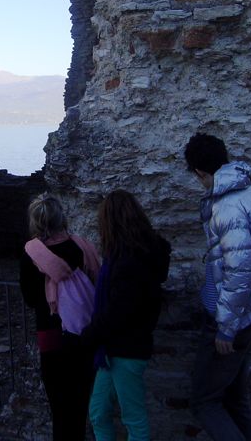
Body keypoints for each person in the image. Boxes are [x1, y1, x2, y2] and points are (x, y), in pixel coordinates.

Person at [184, 132, 251, 441]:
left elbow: (239, 270)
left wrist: (226, 326)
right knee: (234, 396)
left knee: (203, 402)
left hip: (232, 317)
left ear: (200, 172)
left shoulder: (226, 206)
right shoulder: (248, 188)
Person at [81, 189, 171, 441]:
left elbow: (118, 310)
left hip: (126, 349)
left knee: (134, 419)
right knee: (98, 412)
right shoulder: (133, 256)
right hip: (115, 349)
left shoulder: (128, 262)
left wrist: (88, 336)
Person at [20, 193, 100, 441]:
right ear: (61, 217)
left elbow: (31, 299)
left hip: (50, 333)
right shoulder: (81, 245)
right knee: (80, 402)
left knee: (59, 406)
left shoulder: (31, 253)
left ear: (35, 221)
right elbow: (97, 280)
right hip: (82, 332)